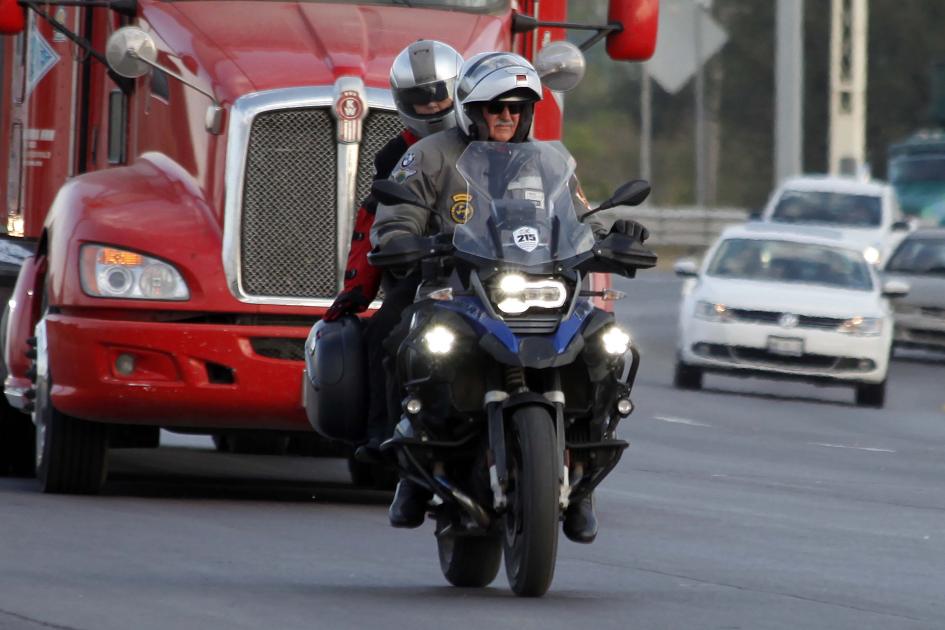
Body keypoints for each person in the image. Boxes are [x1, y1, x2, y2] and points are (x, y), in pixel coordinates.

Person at [371, 52, 649, 543]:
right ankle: (410, 466)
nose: (506, 116)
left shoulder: (549, 160)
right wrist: (403, 240)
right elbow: (397, 217)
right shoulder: (431, 155)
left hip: (542, 285)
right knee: (399, 341)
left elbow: (577, 218)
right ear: (471, 110)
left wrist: (614, 235)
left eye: (517, 108)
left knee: (605, 346)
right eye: (495, 107)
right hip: (455, 285)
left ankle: (582, 482)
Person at [322, 40, 463, 463]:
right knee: (386, 334)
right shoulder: (397, 153)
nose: (432, 104)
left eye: (440, 93)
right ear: (403, 102)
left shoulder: (494, 136)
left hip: (502, 264)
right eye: (420, 98)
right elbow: (374, 219)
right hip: (431, 269)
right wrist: (357, 289)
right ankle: (382, 432)